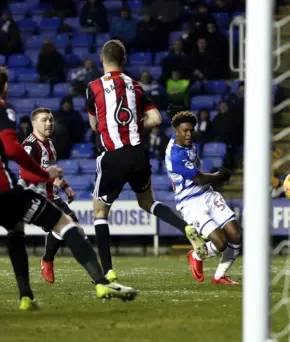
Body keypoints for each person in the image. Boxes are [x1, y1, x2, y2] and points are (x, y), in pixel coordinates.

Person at [0, 64, 136, 310]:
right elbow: (12, 148)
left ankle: (26, 297)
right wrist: (45, 173)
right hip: (0, 192)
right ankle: (101, 282)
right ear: (6, 88)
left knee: (15, 228)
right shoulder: (1, 108)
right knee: (64, 222)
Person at [86, 40, 209, 281]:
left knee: (100, 212)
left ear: (102, 59)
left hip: (114, 155)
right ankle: (185, 227)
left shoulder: (93, 87)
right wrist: (135, 125)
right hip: (138, 154)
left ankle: (108, 271)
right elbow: (155, 118)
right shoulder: (136, 86)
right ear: (124, 60)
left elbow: (94, 126)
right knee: (148, 202)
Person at [165, 110, 241, 285]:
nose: (189, 134)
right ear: (176, 131)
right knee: (221, 242)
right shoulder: (175, 156)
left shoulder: (184, 140)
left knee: (235, 235)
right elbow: (199, 179)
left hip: (208, 194)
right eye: (185, 130)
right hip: (190, 203)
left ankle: (219, 276)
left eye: (191, 130)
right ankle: (196, 254)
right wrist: (221, 174)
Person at [19, 108, 77, 284]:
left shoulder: (50, 144)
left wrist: (65, 186)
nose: (49, 123)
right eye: (44, 120)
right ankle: (48, 260)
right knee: (71, 227)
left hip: (54, 196)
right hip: (37, 197)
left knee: (71, 227)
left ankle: (47, 260)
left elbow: (52, 170)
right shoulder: (30, 145)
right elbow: (25, 174)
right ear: (34, 123)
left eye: (51, 120)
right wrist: (49, 179)